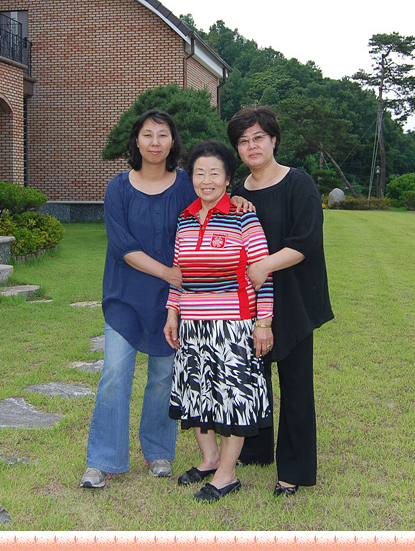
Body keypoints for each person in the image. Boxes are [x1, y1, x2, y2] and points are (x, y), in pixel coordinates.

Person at [80, 109, 196, 489]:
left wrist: (240, 200)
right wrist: (167, 272)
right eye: (148, 134)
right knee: (115, 374)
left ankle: (159, 450)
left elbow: (215, 204)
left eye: (163, 134)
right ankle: (103, 459)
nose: (155, 142)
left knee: (163, 377)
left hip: (171, 302)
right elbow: (124, 246)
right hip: (125, 296)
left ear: (173, 141)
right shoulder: (118, 188)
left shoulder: (187, 185)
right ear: (136, 141)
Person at [226, 105, 335, 497]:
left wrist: (264, 266)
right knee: (253, 378)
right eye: (243, 141)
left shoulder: (298, 183)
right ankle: (255, 450)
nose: (251, 146)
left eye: (258, 137)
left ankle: (294, 469)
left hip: (294, 297)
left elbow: (306, 242)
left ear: (273, 140)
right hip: (251, 302)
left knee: (295, 383)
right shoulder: (238, 192)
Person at [163, 140, 274, 503]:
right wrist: (172, 312)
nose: (206, 180)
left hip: (233, 327)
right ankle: (210, 459)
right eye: (199, 173)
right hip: (192, 326)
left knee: (232, 398)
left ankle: (227, 475)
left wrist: (263, 323)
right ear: (191, 178)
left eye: (215, 173)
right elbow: (178, 274)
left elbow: (263, 275)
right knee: (196, 394)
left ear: (228, 179)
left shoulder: (244, 217)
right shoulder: (184, 219)